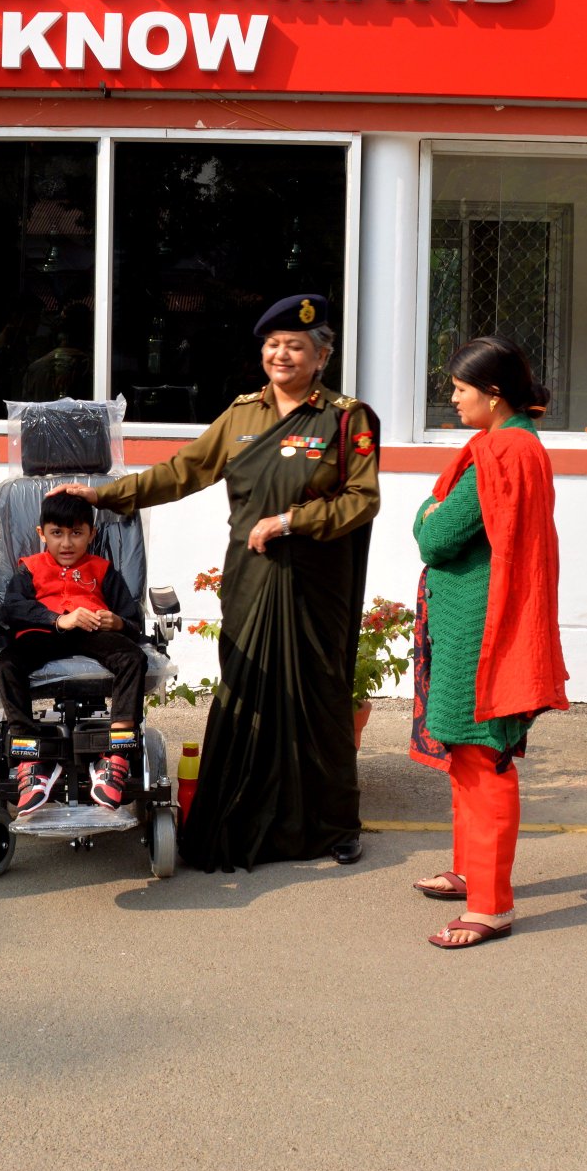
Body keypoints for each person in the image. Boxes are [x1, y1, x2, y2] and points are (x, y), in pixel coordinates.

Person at [57, 294, 379, 870]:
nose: (282, 355)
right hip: (252, 576)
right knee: (246, 689)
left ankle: (335, 823)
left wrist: (291, 521)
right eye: (273, 345)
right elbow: (183, 471)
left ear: (322, 356)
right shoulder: (243, 414)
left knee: (319, 695)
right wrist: (103, 496)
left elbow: (362, 499)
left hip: (316, 580)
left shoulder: (347, 418)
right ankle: (242, 809)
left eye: (296, 346)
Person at [408, 335, 570, 949]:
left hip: (484, 635)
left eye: (460, 389)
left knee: (483, 757)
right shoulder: (514, 444)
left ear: (494, 393)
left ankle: (491, 906)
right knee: (468, 753)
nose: (452, 399)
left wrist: (428, 511)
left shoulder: (502, 452)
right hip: (474, 627)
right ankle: (471, 872)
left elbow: (435, 535)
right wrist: (433, 511)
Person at [0, 489, 147, 814]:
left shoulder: (102, 569)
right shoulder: (30, 568)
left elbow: (133, 619)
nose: (66, 543)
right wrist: (57, 619)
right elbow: (11, 609)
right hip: (44, 633)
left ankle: (115, 756)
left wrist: (118, 622)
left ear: (92, 534)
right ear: (42, 534)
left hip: (93, 632)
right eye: (57, 533)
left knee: (133, 658)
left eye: (76, 533)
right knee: (6, 664)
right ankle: (32, 760)